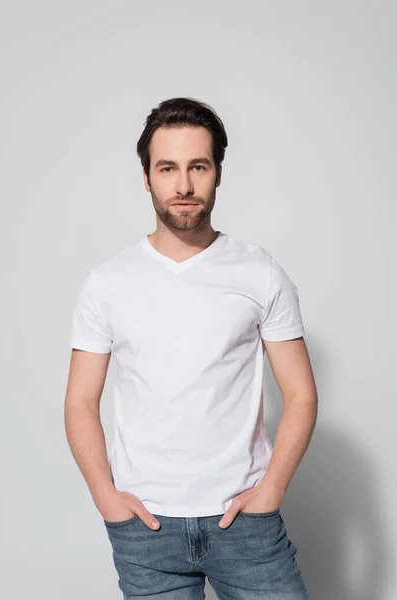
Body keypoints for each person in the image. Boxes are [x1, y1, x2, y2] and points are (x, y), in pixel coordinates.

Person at [64, 97, 318, 599]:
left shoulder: (260, 272)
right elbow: (79, 401)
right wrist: (105, 497)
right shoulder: (107, 283)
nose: (183, 186)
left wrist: (271, 491)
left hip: (244, 525)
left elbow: (302, 394)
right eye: (167, 168)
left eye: (197, 167)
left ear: (218, 173)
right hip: (146, 530)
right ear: (146, 176)